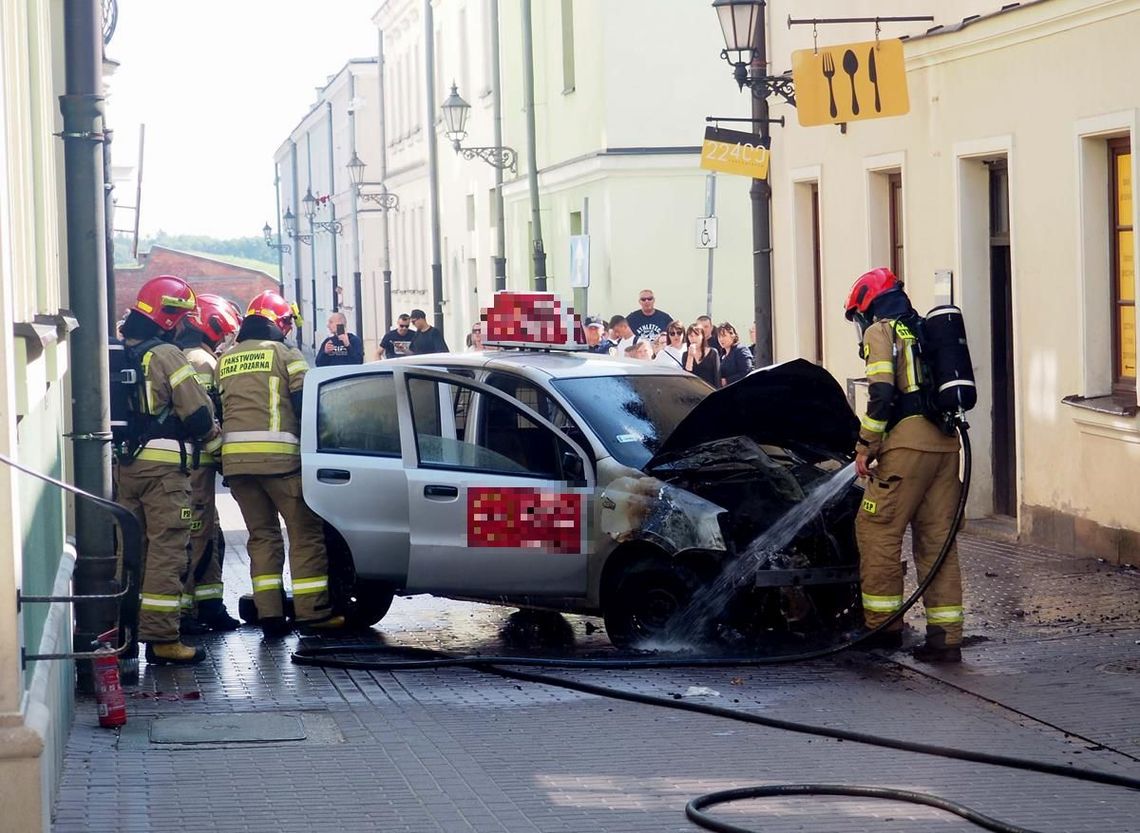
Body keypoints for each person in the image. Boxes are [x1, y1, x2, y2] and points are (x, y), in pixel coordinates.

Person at [845, 267, 964, 663]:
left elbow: (881, 395)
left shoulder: (881, 331)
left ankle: (882, 629)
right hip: (947, 446)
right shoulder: (925, 330)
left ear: (868, 305)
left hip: (907, 446)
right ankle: (945, 638)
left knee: (877, 528)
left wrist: (865, 447)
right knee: (938, 541)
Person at [216, 290, 345, 638]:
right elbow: (309, 408)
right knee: (304, 537)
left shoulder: (226, 359)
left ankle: (270, 614)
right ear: (281, 323)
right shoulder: (287, 355)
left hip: (237, 465)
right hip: (281, 463)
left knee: (262, 537)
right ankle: (312, 613)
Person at [115, 275, 221, 665]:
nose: (181, 325)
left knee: (129, 551)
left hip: (125, 467)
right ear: (167, 317)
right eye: (178, 317)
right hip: (164, 471)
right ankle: (162, 639)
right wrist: (214, 440)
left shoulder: (120, 350)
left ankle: (121, 631)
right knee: (168, 550)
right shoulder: (166, 355)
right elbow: (195, 414)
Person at [174, 293, 242, 634]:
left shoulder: (186, 355)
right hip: (196, 465)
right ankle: (187, 614)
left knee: (208, 534)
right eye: (224, 334)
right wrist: (224, 456)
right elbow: (205, 417)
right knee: (197, 537)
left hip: (192, 465)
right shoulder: (201, 362)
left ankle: (210, 606)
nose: (224, 341)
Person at [717, 322, 753, 386]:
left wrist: (727, 381)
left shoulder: (741, 350)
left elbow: (747, 372)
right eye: (719, 337)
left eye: (724, 336)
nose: (721, 339)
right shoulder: (722, 355)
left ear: (732, 336)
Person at [683, 322, 720, 387]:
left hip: (709, 390)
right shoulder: (685, 355)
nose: (693, 338)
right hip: (693, 391)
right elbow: (687, 377)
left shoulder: (713, 352)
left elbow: (717, 376)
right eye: (691, 336)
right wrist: (690, 356)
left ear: (702, 336)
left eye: (697, 335)